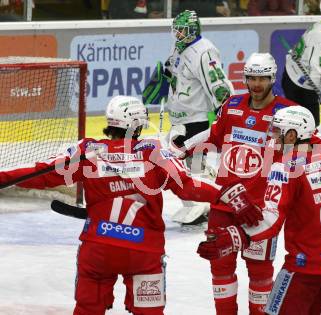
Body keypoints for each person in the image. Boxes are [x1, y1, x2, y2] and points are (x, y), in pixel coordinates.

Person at [0, 95, 258, 315]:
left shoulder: (89, 149)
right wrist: (228, 194)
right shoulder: (153, 151)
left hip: (99, 249)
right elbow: (189, 185)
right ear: (137, 124)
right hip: (143, 252)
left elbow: (40, 172)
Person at [197, 106, 321, 315]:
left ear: (293, 135)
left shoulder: (285, 167)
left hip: (305, 268)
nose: (272, 137)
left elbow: (270, 220)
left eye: (277, 131)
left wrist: (234, 237)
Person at [174, 52, 304, 315]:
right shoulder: (232, 104)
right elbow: (213, 135)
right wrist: (184, 148)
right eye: (251, 78)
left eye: (262, 79)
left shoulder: (287, 112)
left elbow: (308, 143)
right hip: (223, 205)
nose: (256, 85)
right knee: (219, 268)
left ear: (272, 78)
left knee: (260, 273)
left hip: (260, 211)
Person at [165, 9, 234, 225]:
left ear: (193, 31)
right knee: (187, 163)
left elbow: (218, 84)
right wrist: (164, 74)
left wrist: (224, 110)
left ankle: (208, 201)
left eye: (182, 31)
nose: (178, 35)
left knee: (187, 161)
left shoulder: (205, 52)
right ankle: (206, 197)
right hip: (179, 117)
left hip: (196, 118)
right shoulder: (180, 47)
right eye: (176, 31)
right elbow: (173, 68)